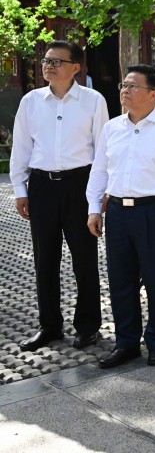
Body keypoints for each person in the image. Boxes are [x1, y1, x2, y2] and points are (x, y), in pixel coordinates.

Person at [86, 64, 155, 368]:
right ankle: (127, 342)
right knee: (121, 281)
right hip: (118, 212)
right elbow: (99, 173)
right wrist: (95, 209)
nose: (125, 90)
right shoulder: (112, 128)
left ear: (153, 94)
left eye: (133, 86)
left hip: (154, 212)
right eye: (124, 85)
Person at [10, 40, 109, 351]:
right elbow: (21, 148)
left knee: (84, 260)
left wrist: (98, 197)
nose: (48, 66)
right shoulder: (30, 101)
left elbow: (103, 152)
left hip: (79, 185)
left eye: (56, 61)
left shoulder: (93, 101)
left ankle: (88, 326)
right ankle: (50, 326)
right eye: (46, 60)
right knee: (45, 261)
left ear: (75, 68)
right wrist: (20, 189)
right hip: (41, 188)